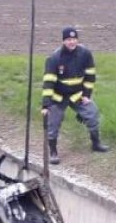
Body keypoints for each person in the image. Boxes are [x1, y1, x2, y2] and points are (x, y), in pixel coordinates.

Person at [41, 26, 109, 165]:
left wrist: (86, 95)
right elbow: (48, 83)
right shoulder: (54, 58)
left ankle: (96, 144)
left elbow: (90, 75)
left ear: (77, 40)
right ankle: (53, 152)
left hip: (76, 95)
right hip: (58, 97)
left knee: (92, 114)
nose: (71, 42)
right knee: (53, 125)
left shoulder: (85, 54)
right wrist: (46, 105)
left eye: (74, 39)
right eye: (68, 39)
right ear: (63, 41)